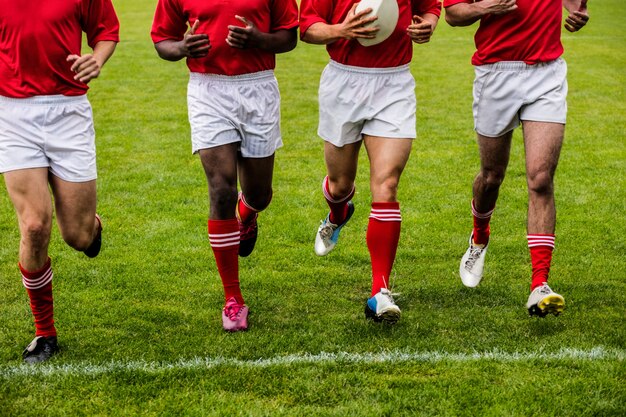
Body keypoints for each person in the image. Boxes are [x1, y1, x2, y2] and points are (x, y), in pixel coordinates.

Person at [151, 0, 298, 332]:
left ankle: (249, 214)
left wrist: (258, 39)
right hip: (208, 90)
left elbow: (289, 36)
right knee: (221, 190)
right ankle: (233, 299)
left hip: (259, 87)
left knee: (259, 194)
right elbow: (162, 41)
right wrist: (182, 47)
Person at [444, 0, 589, 316]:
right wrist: (486, 7)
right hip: (495, 73)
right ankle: (479, 237)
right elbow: (453, 14)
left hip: (547, 72)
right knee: (491, 176)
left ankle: (539, 285)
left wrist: (579, 12)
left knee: (540, 178)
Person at [300, 0, 442, 324]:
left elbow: (431, 7)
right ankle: (339, 211)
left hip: (394, 84)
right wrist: (341, 30)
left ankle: (380, 292)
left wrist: (428, 24)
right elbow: (306, 27)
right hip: (343, 82)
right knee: (339, 185)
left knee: (387, 183)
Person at [0, 1, 120, 363]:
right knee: (34, 225)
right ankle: (45, 333)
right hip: (13, 113)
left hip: (69, 111)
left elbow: (106, 32)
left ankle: (91, 227)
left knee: (77, 236)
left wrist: (97, 59)